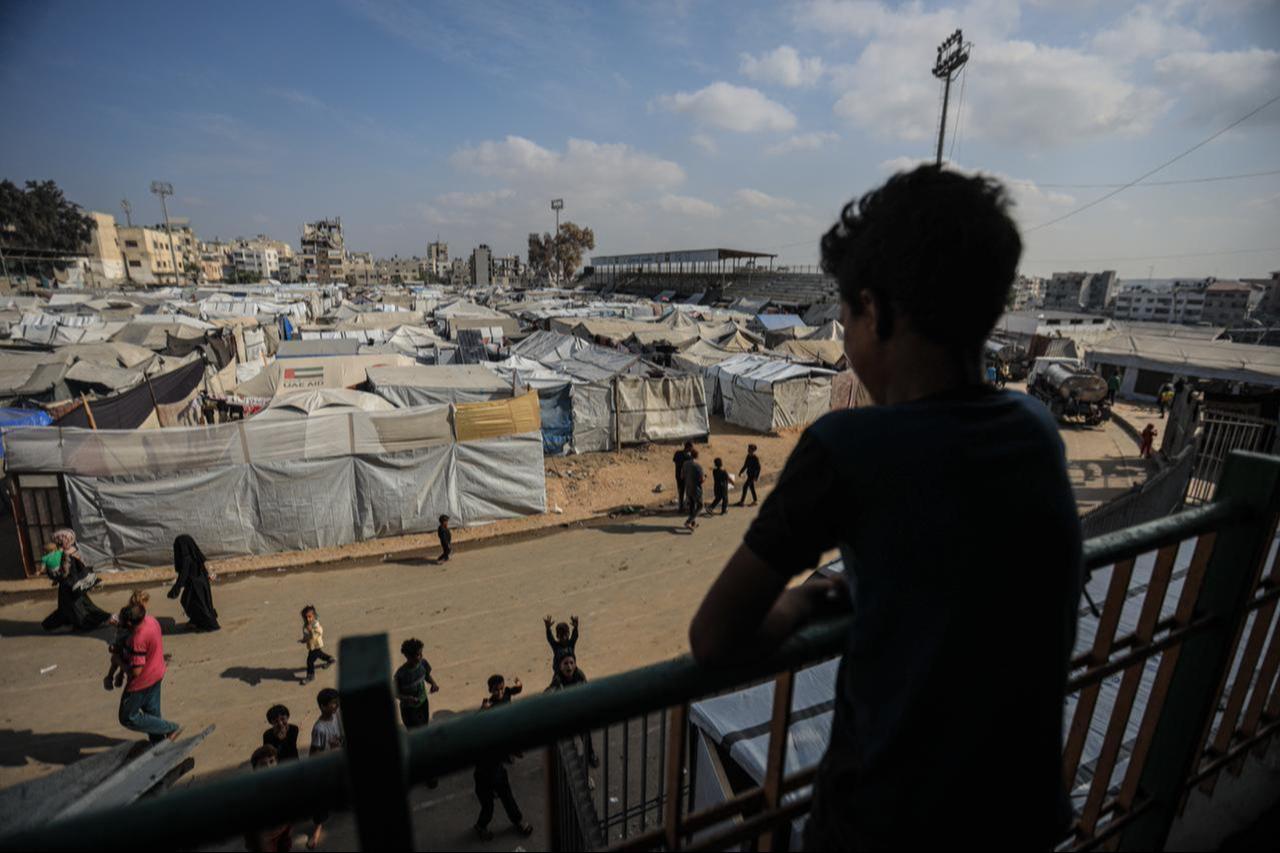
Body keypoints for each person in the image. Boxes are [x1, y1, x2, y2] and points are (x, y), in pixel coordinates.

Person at [688, 165, 1082, 850]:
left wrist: (806, 603)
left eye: (844, 319)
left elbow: (715, 634)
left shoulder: (848, 446)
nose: (842, 337)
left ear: (877, 312)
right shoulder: (1036, 431)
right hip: (1021, 819)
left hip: (883, 828)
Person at [474, 675, 534, 842]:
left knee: (508, 798)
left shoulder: (507, 694)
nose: (500, 692)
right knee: (488, 808)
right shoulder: (488, 709)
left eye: (501, 688)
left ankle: (518, 820)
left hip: (497, 773)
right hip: (485, 778)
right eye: (496, 690)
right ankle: (480, 826)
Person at [119, 602, 181, 743]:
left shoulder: (138, 638)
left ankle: (171, 728)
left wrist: (118, 661)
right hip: (157, 673)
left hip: (141, 683)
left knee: (128, 717)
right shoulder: (151, 621)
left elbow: (136, 671)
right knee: (152, 714)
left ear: (129, 623)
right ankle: (159, 744)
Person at [40, 529, 113, 633]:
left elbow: (65, 573)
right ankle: (99, 620)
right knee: (76, 606)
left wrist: (53, 574)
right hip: (72, 585)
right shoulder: (72, 551)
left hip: (70, 586)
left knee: (76, 608)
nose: (58, 544)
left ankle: (87, 623)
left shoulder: (66, 555)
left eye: (60, 541)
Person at [546, 654, 598, 768]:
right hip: (568, 716)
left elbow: (587, 690)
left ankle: (590, 754)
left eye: (571, 662)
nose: (569, 666)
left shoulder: (579, 675)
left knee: (586, 736)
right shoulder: (557, 680)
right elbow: (547, 694)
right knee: (573, 744)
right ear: (560, 667)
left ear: (575, 664)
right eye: (565, 663)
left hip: (580, 712)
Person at [307, 688, 343, 850]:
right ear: (322, 706)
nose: (336, 705)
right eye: (333, 703)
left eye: (337, 702)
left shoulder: (336, 716)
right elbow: (314, 754)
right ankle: (317, 827)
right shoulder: (319, 729)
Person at [245, 745, 292, 852]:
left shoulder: (282, 781)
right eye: (263, 764)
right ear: (255, 769)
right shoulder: (251, 792)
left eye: (271, 761)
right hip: (265, 839)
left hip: (283, 830)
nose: (269, 767)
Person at [169, 534, 220, 631]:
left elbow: (184, 573)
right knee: (198, 604)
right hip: (201, 584)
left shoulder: (186, 558)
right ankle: (197, 621)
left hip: (195, 586)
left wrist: (177, 587)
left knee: (195, 604)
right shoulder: (194, 555)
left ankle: (203, 624)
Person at [299, 606, 334, 684]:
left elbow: (319, 633)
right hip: (311, 645)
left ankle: (310, 675)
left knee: (309, 661)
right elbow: (306, 635)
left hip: (316, 645)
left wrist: (311, 630)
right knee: (320, 654)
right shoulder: (306, 625)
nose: (308, 619)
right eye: (305, 617)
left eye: (310, 617)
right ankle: (330, 659)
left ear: (314, 616)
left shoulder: (316, 624)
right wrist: (304, 640)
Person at [543, 614, 580, 679]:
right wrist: (548, 628)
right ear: (557, 636)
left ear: (568, 634)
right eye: (561, 635)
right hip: (559, 675)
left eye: (565, 634)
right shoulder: (556, 646)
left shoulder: (571, 644)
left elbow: (575, 636)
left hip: (573, 672)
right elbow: (550, 638)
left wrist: (575, 627)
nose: (563, 637)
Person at [682, 448, 705, 531]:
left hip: (688, 487)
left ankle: (693, 523)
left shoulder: (685, 464)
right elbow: (702, 480)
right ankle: (688, 521)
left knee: (692, 505)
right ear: (697, 456)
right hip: (696, 489)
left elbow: (682, 476)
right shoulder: (698, 466)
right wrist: (704, 477)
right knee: (700, 506)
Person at [672, 441, 694, 514]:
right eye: (691, 447)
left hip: (678, 475)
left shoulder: (677, 453)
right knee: (687, 491)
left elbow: (674, 461)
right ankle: (687, 506)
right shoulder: (689, 457)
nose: (692, 449)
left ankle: (681, 507)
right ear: (688, 447)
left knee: (681, 491)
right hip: (685, 476)